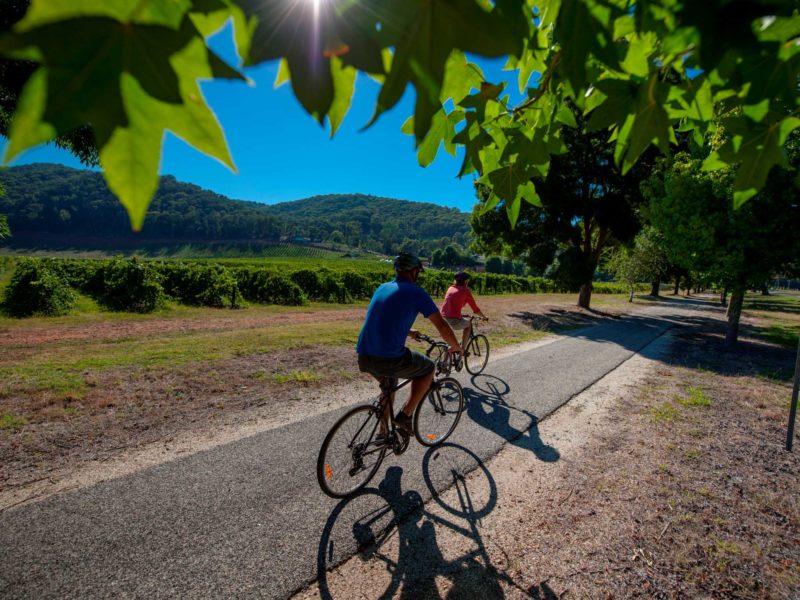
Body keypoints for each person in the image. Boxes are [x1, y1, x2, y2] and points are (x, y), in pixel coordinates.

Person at [356, 252, 463, 436]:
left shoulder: (382, 287)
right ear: (414, 271)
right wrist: (456, 347)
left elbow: (383, 320)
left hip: (364, 355)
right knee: (428, 368)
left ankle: (383, 434)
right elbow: (442, 326)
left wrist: (408, 331)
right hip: (388, 358)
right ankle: (405, 416)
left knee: (388, 388)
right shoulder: (417, 292)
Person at [440, 271, 487, 350]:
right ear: (466, 281)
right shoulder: (466, 291)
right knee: (468, 325)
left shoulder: (450, 288)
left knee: (451, 344)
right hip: (453, 320)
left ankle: (447, 358)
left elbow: (451, 306)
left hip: (442, 318)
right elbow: (475, 309)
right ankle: (462, 349)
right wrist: (484, 317)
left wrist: (461, 315)